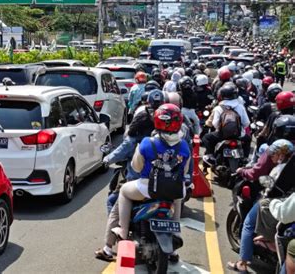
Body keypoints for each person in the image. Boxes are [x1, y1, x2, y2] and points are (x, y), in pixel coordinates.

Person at [95, 91, 163, 261]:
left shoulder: (139, 142)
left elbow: (133, 163)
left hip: (140, 182)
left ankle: (110, 246)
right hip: (167, 184)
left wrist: (106, 159)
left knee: (112, 202)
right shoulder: (169, 139)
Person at [111, 104, 191, 241]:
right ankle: (176, 232)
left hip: (148, 188)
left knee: (124, 191)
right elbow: (184, 171)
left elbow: (136, 168)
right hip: (175, 188)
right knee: (178, 195)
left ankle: (123, 231)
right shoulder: (184, 146)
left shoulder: (147, 143)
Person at [227, 140, 294, 273]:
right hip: (285, 204)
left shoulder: (279, 169)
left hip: (276, 204)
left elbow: (262, 180)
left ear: (280, 154)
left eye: (274, 154)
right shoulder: (289, 167)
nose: (272, 157)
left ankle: (242, 263)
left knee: (248, 224)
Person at [203, 82, 251, 164]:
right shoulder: (240, 106)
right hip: (238, 135)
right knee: (248, 139)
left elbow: (215, 124)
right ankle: (245, 158)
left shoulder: (218, 108)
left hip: (221, 135)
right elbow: (246, 123)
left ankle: (210, 156)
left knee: (206, 138)